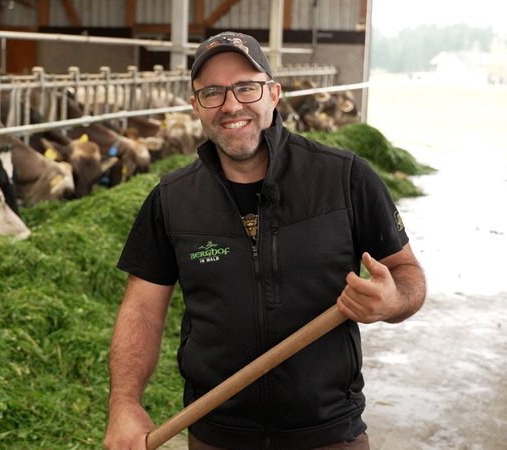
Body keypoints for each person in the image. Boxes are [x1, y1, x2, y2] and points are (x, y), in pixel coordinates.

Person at [104, 31, 426, 450]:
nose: (231, 104)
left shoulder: (345, 178)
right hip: (216, 435)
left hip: (328, 435)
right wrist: (124, 403)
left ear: (273, 94)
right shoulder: (172, 199)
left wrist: (392, 301)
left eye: (246, 87)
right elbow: (142, 311)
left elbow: (408, 275)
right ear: (195, 106)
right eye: (213, 92)